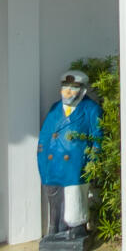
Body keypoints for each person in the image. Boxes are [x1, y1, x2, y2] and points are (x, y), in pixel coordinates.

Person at [38, 68, 103, 241]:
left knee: (74, 200)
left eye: (73, 88)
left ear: (82, 90)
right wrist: (42, 160)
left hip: (76, 166)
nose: (67, 92)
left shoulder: (91, 110)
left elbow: (97, 139)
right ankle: (54, 228)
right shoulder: (55, 108)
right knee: (55, 200)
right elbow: (45, 136)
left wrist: (92, 163)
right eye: (65, 87)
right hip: (53, 165)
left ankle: (76, 229)